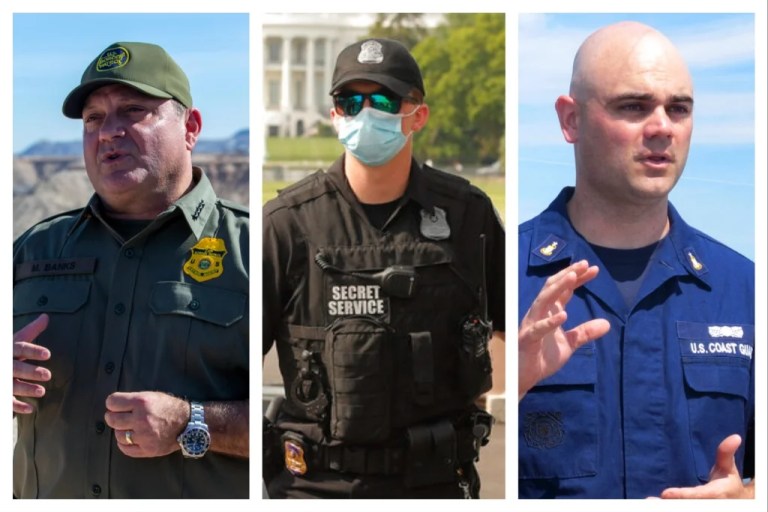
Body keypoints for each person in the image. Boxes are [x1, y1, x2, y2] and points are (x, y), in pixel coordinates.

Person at [517, 21, 754, 499]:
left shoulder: (746, 289)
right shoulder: (507, 275)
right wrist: (514, 379)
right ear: (571, 120)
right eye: (633, 106)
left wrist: (749, 498)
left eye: (679, 109)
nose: (662, 127)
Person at [262, 38, 505, 498]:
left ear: (418, 114)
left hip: (436, 483)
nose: (365, 113)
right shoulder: (286, 225)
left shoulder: (468, 216)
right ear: (334, 114)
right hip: (315, 487)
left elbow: (516, 328)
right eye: (350, 101)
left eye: (384, 100)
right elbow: (232, 361)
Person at [12, 41, 249, 498]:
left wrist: (190, 422)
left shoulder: (252, 251)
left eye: (133, 111)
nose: (107, 133)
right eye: (94, 119)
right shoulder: (32, 250)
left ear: (191, 127)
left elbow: (300, 426)